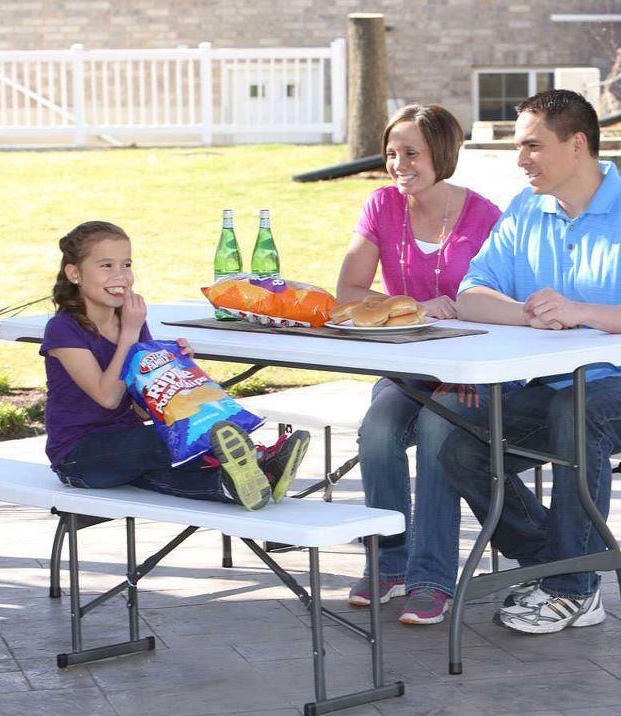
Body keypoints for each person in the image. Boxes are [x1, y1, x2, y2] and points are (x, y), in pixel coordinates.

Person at [439, 88, 621, 634]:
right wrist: (529, 314)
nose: (520, 161)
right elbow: (471, 295)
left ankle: (572, 586)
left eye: (533, 146)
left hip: (608, 390)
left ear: (578, 144)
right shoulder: (525, 210)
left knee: (577, 410)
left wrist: (581, 311)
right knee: (460, 445)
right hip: (554, 386)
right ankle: (557, 565)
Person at [337, 104, 503, 624]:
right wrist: (411, 306)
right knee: (377, 432)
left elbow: (503, 306)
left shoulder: (484, 216)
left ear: (442, 155)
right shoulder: (382, 206)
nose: (398, 164)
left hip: (469, 371)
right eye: (391, 153)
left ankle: (432, 576)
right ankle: (388, 562)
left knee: (437, 433)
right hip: (406, 366)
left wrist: (473, 370)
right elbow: (347, 292)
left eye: (411, 153)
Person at [40, 220, 310, 511]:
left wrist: (174, 370)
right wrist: (131, 334)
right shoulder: (63, 329)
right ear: (75, 273)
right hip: (79, 455)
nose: (121, 275)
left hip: (128, 446)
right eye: (106, 266)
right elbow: (108, 398)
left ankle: (241, 483)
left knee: (177, 463)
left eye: (126, 264)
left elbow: (144, 408)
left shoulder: (129, 322)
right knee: (173, 438)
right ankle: (260, 458)